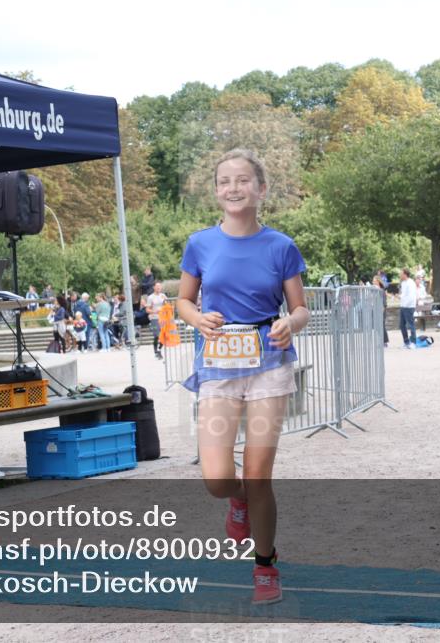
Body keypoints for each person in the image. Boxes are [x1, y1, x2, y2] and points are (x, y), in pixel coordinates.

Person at [176, 149, 309, 606]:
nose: (234, 188)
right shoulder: (199, 244)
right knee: (217, 479)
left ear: (261, 189)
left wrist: (289, 323)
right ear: (216, 191)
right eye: (225, 181)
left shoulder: (281, 246)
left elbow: (301, 308)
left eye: (243, 180)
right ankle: (236, 502)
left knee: (258, 478)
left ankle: (265, 564)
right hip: (217, 367)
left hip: (268, 364)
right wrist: (196, 319)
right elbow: (183, 302)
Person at [147, 282, 169, 360]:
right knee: (157, 335)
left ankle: (159, 349)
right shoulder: (150, 297)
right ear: (154, 288)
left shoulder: (163, 296)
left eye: (160, 287)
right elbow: (147, 309)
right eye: (157, 287)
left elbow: (168, 306)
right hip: (154, 317)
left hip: (163, 318)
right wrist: (154, 312)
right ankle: (156, 351)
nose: (159, 288)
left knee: (164, 335)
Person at [398, 268, 418, 349]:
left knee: (410, 324)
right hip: (403, 306)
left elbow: (411, 296)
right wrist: (400, 297)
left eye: (401, 274)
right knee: (402, 325)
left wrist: (406, 304)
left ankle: (413, 342)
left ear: (405, 274)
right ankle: (406, 342)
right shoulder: (403, 283)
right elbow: (404, 295)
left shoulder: (411, 283)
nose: (400, 275)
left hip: (409, 307)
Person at [371, 276, 389, 347]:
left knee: (381, 327)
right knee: (378, 328)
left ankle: (384, 342)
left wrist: (381, 313)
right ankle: (382, 341)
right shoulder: (375, 291)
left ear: (378, 281)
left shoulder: (381, 291)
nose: (373, 282)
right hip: (376, 311)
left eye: (374, 281)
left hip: (381, 312)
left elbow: (384, 304)